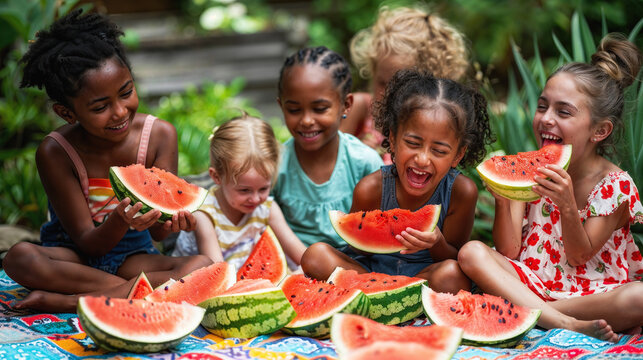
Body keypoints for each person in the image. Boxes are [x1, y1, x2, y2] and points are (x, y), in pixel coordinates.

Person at [2, 9, 211, 313]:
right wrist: (119, 219)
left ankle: (70, 301)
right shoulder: (55, 151)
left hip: (132, 257)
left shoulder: (159, 135)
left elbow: (159, 234)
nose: (120, 111)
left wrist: (174, 221)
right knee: (18, 258)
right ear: (67, 112)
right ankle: (128, 293)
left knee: (201, 265)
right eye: (100, 107)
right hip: (73, 257)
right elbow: (87, 242)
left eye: (126, 92)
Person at [457, 34, 643, 342]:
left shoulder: (616, 186)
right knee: (472, 252)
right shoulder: (532, 171)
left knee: (639, 297)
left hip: (592, 292)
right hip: (530, 280)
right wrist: (504, 199)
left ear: (600, 130)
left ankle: (533, 311)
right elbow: (509, 250)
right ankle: (561, 321)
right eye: (542, 106)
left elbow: (580, 256)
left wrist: (568, 205)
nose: (546, 119)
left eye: (563, 112)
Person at [301, 69, 493, 294]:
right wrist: (371, 233)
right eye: (413, 143)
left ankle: (382, 296)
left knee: (451, 274)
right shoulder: (371, 189)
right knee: (315, 256)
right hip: (369, 272)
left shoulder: (462, 192)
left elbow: (456, 258)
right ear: (392, 139)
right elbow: (356, 248)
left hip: (425, 276)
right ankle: (387, 294)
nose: (422, 159)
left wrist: (437, 243)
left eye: (439, 150)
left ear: (458, 155)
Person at [273, 46, 384, 248]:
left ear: (346, 105)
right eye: (294, 110)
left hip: (356, 262)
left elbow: (381, 227)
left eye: (320, 109)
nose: (306, 120)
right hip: (293, 265)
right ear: (281, 107)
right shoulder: (275, 164)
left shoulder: (365, 163)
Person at [172, 114, 307, 269]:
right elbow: (218, 274)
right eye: (244, 190)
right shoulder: (204, 214)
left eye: (263, 188)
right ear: (216, 176)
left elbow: (302, 256)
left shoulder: (267, 209)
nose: (256, 199)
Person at [341, 6, 469, 160]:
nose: (389, 96)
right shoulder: (359, 108)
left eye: (401, 88)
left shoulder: (433, 131)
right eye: (382, 83)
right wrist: (354, 156)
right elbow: (330, 162)